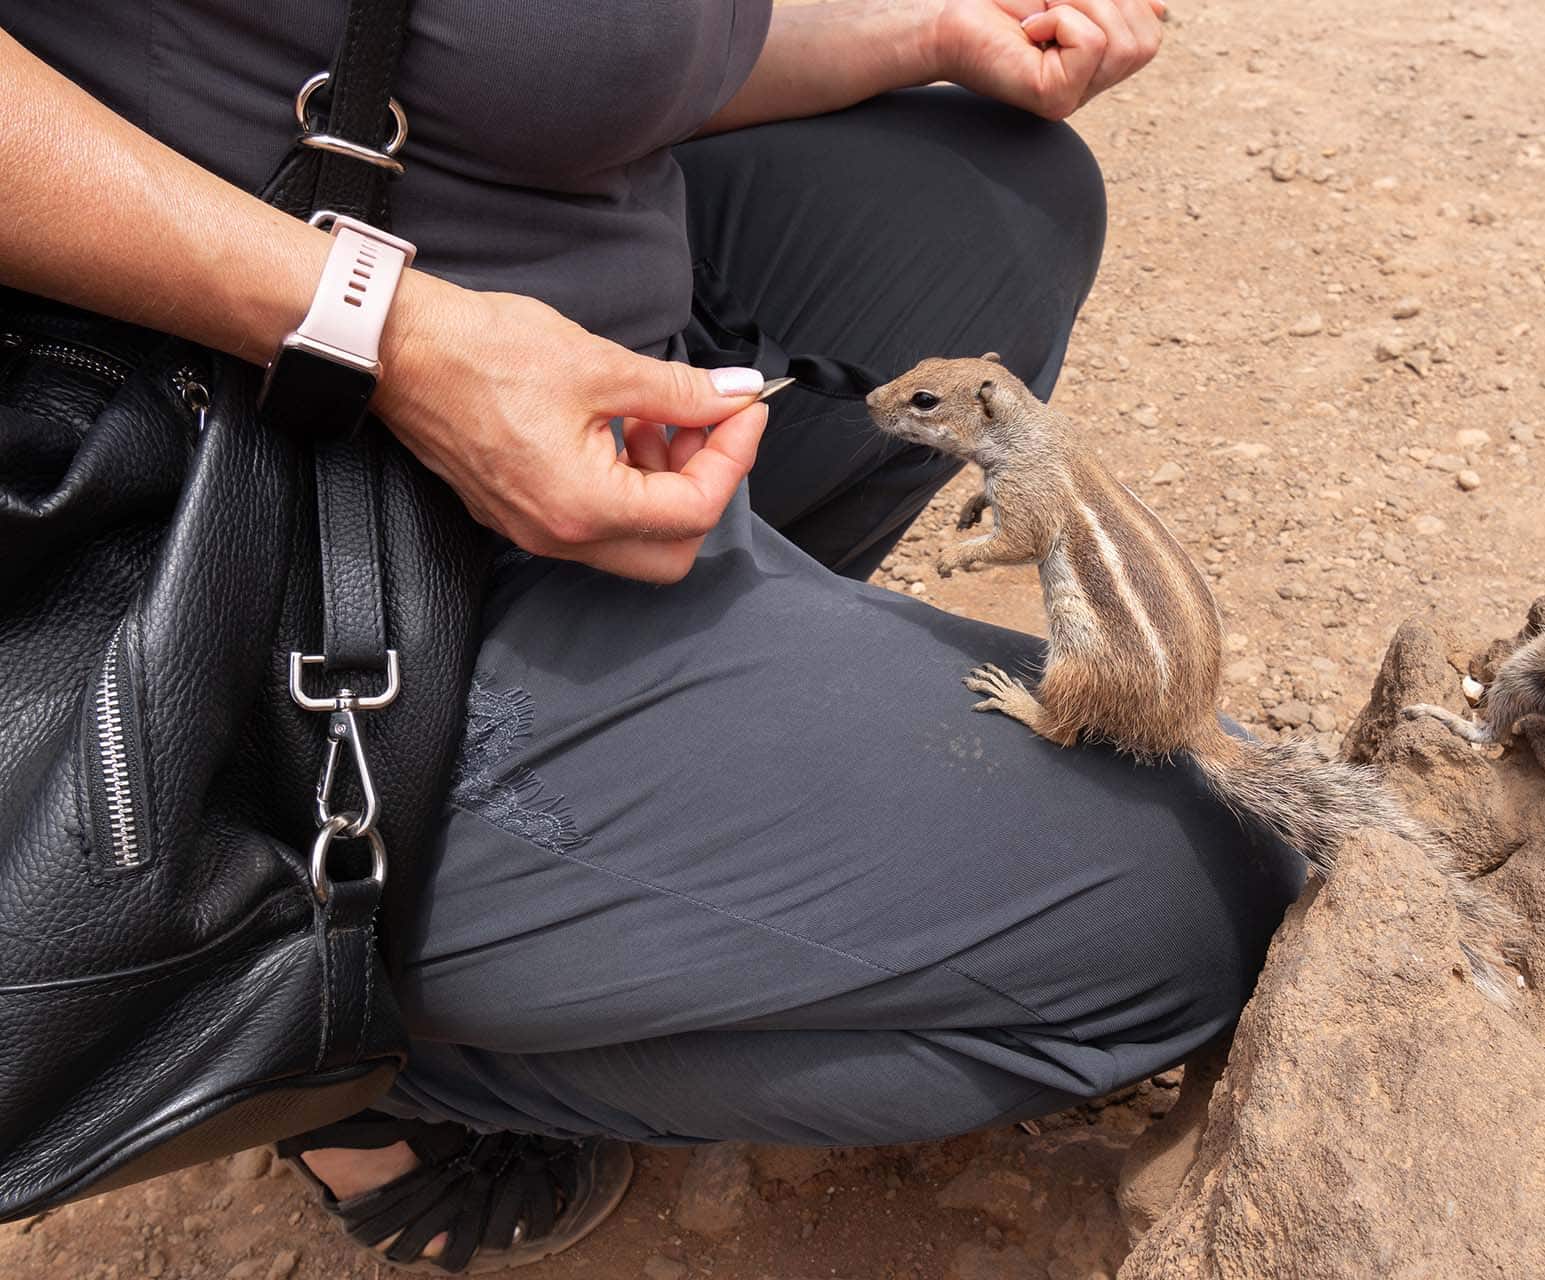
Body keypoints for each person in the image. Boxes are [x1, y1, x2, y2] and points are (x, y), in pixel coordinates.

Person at [0, 1, 1302, 1270]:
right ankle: (319, 1040)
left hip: (547, 296)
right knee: (1194, 893)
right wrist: (381, 330)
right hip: (245, 492)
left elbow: (588, 45)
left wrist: (928, 33)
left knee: (1003, 200)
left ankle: (695, 763)